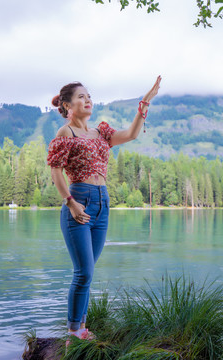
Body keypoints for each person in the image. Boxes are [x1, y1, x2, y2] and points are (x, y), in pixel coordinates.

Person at [47, 76, 161, 340]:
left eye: (89, 96)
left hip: (102, 204)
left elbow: (131, 134)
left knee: (88, 272)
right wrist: (71, 203)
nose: (88, 100)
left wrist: (145, 103)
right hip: (79, 200)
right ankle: (74, 332)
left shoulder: (101, 133)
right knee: (83, 271)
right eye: (81, 97)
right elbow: (56, 173)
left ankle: (81, 328)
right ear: (68, 106)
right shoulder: (66, 134)